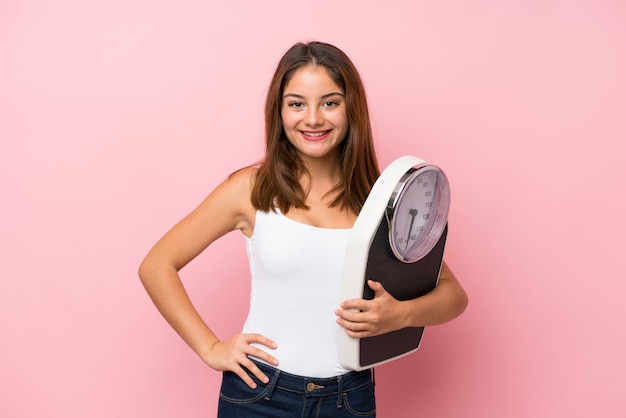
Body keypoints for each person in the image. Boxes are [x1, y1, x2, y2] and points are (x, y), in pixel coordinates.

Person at [138, 41, 468, 417]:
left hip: (349, 399)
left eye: (330, 102)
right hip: (258, 394)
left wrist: (399, 316)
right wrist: (211, 348)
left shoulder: (379, 203)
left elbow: (454, 295)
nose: (313, 119)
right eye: (297, 103)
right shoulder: (250, 189)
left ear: (351, 109)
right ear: (279, 112)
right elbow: (157, 264)